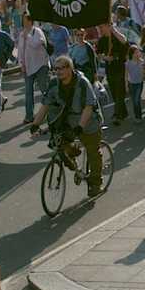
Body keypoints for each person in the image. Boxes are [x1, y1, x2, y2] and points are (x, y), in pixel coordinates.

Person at [30, 56, 103, 197]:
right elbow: (45, 105)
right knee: (61, 147)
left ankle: (96, 183)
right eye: (56, 68)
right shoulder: (54, 84)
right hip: (69, 121)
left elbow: (89, 106)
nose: (58, 71)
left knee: (93, 152)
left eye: (62, 68)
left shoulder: (82, 83)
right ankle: (76, 164)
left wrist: (80, 126)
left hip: (88, 122)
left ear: (70, 68)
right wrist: (35, 124)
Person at [17, 13, 50, 124]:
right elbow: (20, 50)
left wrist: (28, 37)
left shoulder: (37, 31)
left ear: (30, 21)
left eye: (25, 19)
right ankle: (29, 116)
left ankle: (51, 111)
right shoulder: (21, 34)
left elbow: (37, 44)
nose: (24, 21)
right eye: (23, 19)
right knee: (28, 92)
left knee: (44, 90)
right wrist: (21, 63)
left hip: (41, 65)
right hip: (28, 67)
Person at [96, 22, 129, 125]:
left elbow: (125, 42)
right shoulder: (102, 40)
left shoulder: (117, 36)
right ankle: (123, 113)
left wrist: (113, 30)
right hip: (109, 69)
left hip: (120, 68)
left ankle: (117, 115)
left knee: (119, 92)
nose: (100, 29)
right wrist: (106, 57)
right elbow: (98, 54)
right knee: (114, 92)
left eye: (102, 27)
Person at [126, 45, 145, 123]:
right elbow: (126, 75)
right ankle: (137, 115)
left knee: (137, 100)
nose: (138, 54)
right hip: (131, 83)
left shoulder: (142, 62)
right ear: (132, 54)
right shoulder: (128, 63)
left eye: (138, 52)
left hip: (139, 83)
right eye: (136, 52)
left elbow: (144, 73)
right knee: (134, 100)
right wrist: (126, 86)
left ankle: (138, 117)